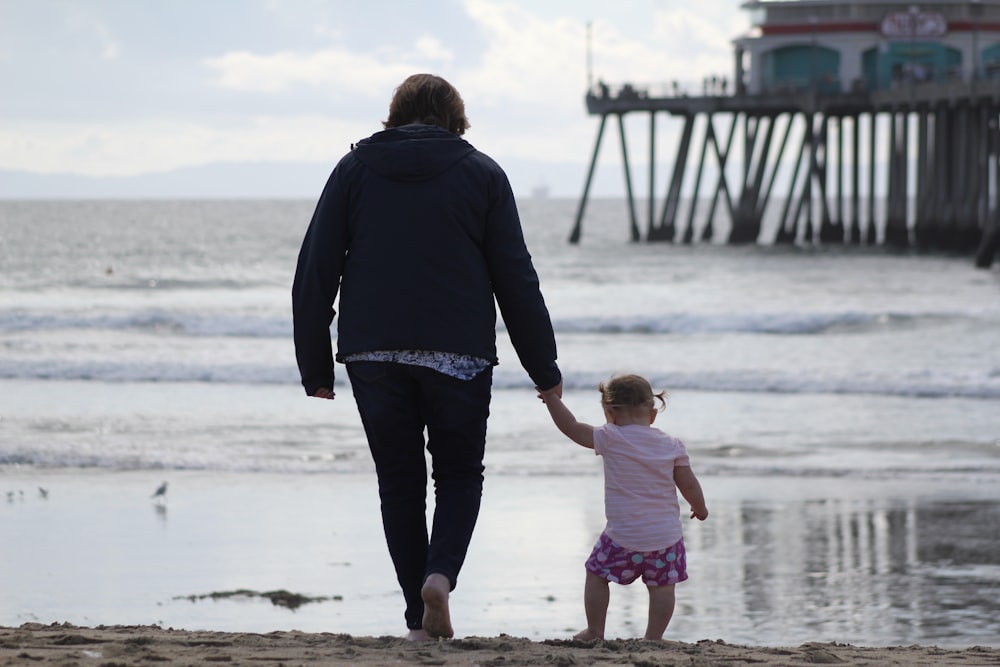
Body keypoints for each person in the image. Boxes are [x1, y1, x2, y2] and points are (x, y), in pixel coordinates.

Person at [292, 73, 562, 641]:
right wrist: (545, 370)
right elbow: (516, 279)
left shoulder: (354, 170)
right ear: (455, 116)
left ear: (396, 113)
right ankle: (439, 577)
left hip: (374, 351)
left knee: (399, 480)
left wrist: (315, 366)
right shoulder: (484, 174)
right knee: (460, 474)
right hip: (457, 353)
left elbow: (314, 271)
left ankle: (418, 620)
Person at [537, 374, 707, 641]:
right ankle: (653, 637)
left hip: (622, 537)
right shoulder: (672, 445)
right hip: (665, 538)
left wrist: (551, 399)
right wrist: (700, 507)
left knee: (596, 574)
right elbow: (689, 484)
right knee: (663, 587)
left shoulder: (610, 436)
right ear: (652, 415)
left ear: (610, 413)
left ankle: (595, 631)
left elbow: (571, 427)